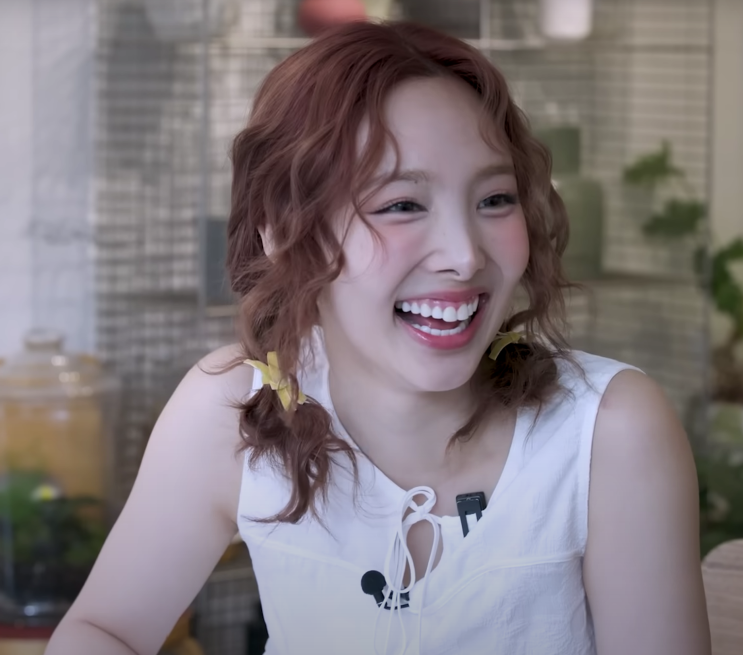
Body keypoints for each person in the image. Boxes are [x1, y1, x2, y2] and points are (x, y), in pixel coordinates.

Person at [46, 20, 711, 655]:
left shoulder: (609, 431)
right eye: (401, 205)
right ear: (283, 229)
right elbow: (105, 629)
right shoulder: (234, 409)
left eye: (494, 199)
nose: (463, 255)